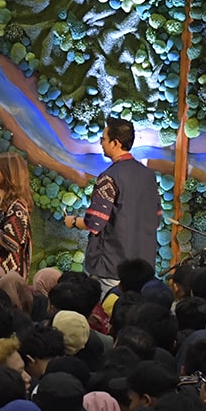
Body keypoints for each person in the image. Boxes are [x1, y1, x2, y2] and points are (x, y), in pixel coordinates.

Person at [63, 116, 161, 286]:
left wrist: (72, 221)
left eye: (103, 139)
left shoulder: (108, 178)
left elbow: (95, 223)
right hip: (143, 269)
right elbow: (157, 218)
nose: (101, 143)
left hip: (112, 267)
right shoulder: (149, 175)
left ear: (115, 143)